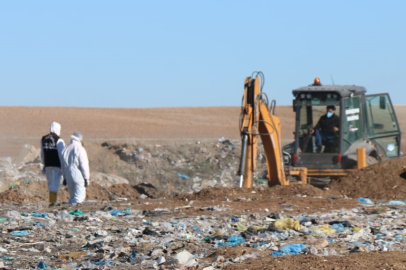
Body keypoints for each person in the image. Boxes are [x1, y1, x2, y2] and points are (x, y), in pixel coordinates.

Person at [61, 131, 90, 204]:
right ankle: (77, 210)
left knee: (72, 194)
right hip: (77, 172)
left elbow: (63, 165)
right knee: (79, 195)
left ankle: (71, 207)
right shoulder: (80, 149)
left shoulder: (65, 149)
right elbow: (84, 164)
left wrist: (64, 176)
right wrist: (86, 177)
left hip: (67, 173)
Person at [40, 122, 65, 206]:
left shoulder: (43, 139)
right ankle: (53, 202)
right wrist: (63, 167)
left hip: (48, 165)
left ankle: (52, 201)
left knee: (51, 183)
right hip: (56, 165)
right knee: (55, 184)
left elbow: (42, 153)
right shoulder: (59, 140)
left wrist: (44, 164)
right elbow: (62, 155)